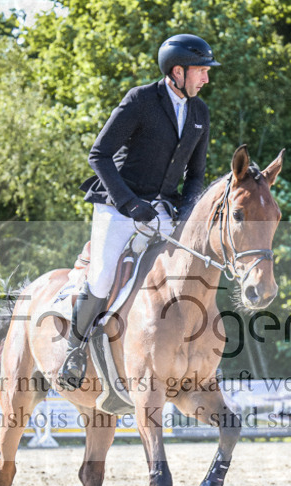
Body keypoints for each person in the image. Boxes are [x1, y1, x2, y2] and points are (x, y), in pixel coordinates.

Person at [59, 33, 220, 389]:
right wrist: (130, 203)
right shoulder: (141, 100)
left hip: (162, 209)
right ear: (177, 71)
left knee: (191, 269)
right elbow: (98, 155)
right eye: (201, 71)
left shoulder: (199, 112)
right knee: (102, 276)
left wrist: (187, 210)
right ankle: (75, 348)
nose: (206, 78)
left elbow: (196, 175)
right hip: (119, 204)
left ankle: (197, 353)